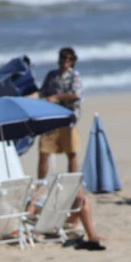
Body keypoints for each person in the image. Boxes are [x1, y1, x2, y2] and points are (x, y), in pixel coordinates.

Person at [37, 47, 84, 180]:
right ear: (59, 59)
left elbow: (76, 95)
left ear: (73, 61)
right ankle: (41, 184)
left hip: (68, 118)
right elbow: (42, 93)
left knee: (71, 152)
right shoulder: (51, 75)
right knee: (44, 152)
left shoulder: (74, 76)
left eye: (69, 58)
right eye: (64, 57)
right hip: (51, 118)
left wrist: (57, 97)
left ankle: (72, 183)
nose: (66, 61)